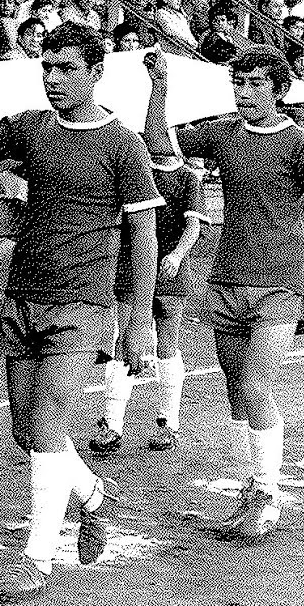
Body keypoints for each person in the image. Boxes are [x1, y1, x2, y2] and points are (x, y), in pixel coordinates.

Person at [0, 21, 160, 600]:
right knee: (30, 434)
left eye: (66, 70)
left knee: (49, 428)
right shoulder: (32, 129)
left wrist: (137, 324)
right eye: (48, 69)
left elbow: (142, 237)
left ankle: (38, 558)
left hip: (84, 307)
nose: (54, 80)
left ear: (96, 72)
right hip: (21, 299)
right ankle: (92, 496)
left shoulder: (124, 144)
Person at [141, 45, 304, 542]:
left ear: (278, 90)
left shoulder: (300, 144)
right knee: (237, 394)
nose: (246, 92)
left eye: (255, 84)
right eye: (239, 83)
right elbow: (160, 147)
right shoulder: (224, 133)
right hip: (228, 281)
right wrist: (159, 87)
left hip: (284, 285)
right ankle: (251, 488)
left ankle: (267, 497)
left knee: (255, 384)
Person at [91, 149, 207, 454]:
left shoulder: (188, 178)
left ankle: (169, 424)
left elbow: (193, 226)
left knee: (167, 345)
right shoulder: (135, 166)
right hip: (133, 266)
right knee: (124, 341)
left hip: (170, 270)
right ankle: (111, 425)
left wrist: (178, 254)